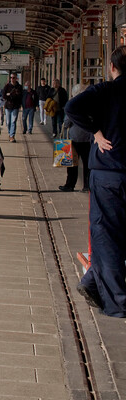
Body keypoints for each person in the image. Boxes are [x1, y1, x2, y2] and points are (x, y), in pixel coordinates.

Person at [65, 46, 126, 318]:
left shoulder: (105, 90)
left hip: (109, 175)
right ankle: (91, 282)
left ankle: (117, 303)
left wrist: (96, 132)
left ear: (113, 67)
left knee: (107, 237)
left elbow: (71, 107)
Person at [59, 86, 91, 192]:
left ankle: (70, 185)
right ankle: (87, 186)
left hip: (74, 138)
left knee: (72, 164)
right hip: (88, 138)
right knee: (87, 164)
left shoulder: (73, 104)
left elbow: (67, 122)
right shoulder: (89, 103)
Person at [1, 73, 23, 142]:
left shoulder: (19, 87)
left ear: (16, 78)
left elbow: (20, 96)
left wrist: (11, 95)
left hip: (15, 106)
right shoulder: (7, 86)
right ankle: (10, 133)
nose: (12, 79)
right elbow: (3, 95)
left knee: (13, 121)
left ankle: (12, 136)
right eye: (11, 77)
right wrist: (10, 95)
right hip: (8, 106)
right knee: (8, 122)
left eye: (13, 77)